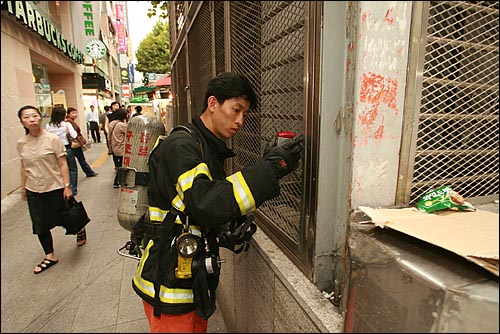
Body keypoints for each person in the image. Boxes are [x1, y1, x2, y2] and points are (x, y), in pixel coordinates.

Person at [131, 72, 303, 333]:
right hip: (169, 283)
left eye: (245, 114)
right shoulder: (182, 146)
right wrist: (269, 169)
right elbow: (206, 202)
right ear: (213, 103)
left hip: (190, 279)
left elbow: (198, 207)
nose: (240, 120)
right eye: (236, 110)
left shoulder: (205, 147)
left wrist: (225, 233)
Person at [17, 105, 76, 274]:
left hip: (55, 186)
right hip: (33, 189)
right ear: (22, 121)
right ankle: (50, 255)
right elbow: (23, 167)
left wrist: (67, 186)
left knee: (66, 218)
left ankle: (79, 228)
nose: (32, 119)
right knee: (40, 224)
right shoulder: (21, 143)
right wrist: (23, 188)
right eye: (27, 117)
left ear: (40, 118)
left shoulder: (52, 139)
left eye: (35, 115)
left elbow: (62, 163)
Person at [46, 107, 79, 196]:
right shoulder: (66, 124)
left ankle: (62, 188)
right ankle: (73, 189)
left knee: (58, 170)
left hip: (54, 150)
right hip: (66, 148)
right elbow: (74, 135)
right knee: (72, 169)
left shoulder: (48, 126)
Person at [66, 107, 99, 177]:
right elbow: (74, 134)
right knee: (81, 160)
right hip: (75, 144)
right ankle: (90, 173)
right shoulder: (69, 122)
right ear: (68, 114)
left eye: (75, 113)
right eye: (73, 113)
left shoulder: (70, 121)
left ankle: (90, 172)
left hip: (73, 144)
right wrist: (82, 143)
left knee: (80, 160)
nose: (75, 114)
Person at [108, 108, 128, 188]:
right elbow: (129, 132)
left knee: (119, 165)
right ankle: (117, 182)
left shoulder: (112, 123)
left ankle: (118, 181)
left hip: (114, 147)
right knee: (122, 166)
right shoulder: (121, 125)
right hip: (121, 148)